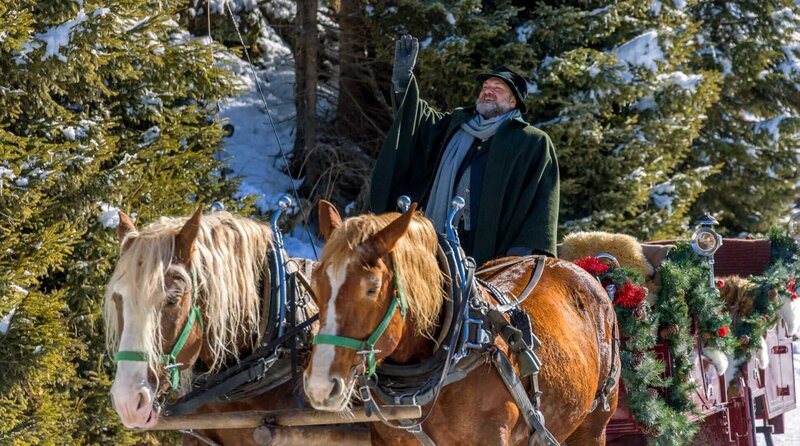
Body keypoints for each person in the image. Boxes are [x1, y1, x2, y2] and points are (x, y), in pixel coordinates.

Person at [368, 35, 560, 265]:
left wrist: (522, 252)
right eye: (485, 86)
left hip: (492, 250)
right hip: (435, 240)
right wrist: (403, 80)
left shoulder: (530, 141)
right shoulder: (455, 124)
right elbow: (417, 120)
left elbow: (543, 202)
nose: (488, 91)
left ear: (513, 102)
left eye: (497, 88)